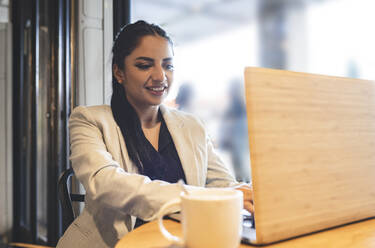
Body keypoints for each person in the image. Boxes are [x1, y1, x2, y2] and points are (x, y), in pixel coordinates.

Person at [57, 20, 253, 248]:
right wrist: (197, 197)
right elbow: (106, 184)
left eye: (168, 66)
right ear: (119, 72)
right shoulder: (89, 120)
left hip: (178, 241)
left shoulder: (192, 126)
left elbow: (223, 185)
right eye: (144, 65)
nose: (160, 76)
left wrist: (244, 195)